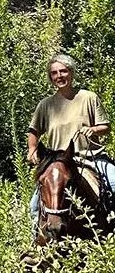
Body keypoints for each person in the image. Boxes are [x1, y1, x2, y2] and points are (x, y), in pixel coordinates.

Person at [27, 53, 114, 220]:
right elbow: (34, 131)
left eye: (63, 71)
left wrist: (94, 130)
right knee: (34, 206)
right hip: (57, 160)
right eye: (54, 73)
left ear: (72, 72)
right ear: (50, 77)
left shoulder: (88, 97)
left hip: (90, 157)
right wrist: (32, 149)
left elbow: (106, 127)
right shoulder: (46, 104)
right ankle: (36, 240)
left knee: (114, 182)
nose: (59, 76)